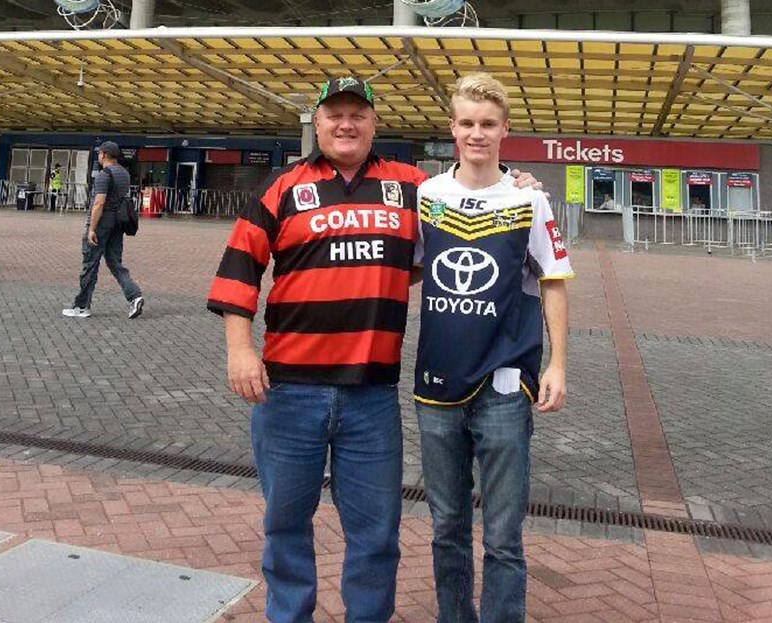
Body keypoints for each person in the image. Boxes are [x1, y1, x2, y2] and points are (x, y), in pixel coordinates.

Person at [207, 76, 540, 623]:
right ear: (317, 123)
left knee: (377, 533)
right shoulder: (282, 185)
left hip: (371, 396)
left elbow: (469, 198)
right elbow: (240, 269)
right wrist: (239, 351)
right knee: (285, 524)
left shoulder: (412, 187)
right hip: (289, 391)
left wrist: (517, 182)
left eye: (357, 114)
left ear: (373, 123)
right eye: (334, 114)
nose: (346, 124)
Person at [413, 72, 573, 623]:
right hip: (436, 385)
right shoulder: (427, 196)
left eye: (487, 124)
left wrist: (557, 364)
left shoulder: (530, 200)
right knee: (446, 528)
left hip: (505, 387)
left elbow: (554, 281)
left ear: (505, 130)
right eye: (467, 123)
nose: (476, 133)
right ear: (452, 128)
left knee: (504, 536)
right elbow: (407, 267)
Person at [62, 141, 144, 319]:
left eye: (99, 153)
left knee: (90, 263)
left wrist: (92, 229)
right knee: (115, 262)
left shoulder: (104, 175)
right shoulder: (124, 173)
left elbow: (99, 203)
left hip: (102, 222)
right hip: (118, 223)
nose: (98, 156)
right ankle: (134, 296)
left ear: (104, 154)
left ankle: (82, 306)